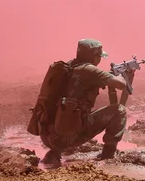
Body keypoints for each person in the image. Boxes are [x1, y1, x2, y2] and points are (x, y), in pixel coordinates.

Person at [40, 38, 130, 166]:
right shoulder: (89, 70)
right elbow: (120, 85)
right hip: (66, 138)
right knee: (119, 110)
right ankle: (108, 155)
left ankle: (55, 153)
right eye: (99, 56)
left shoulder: (67, 66)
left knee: (69, 111)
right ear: (94, 57)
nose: (99, 60)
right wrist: (121, 76)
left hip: (47, 136)